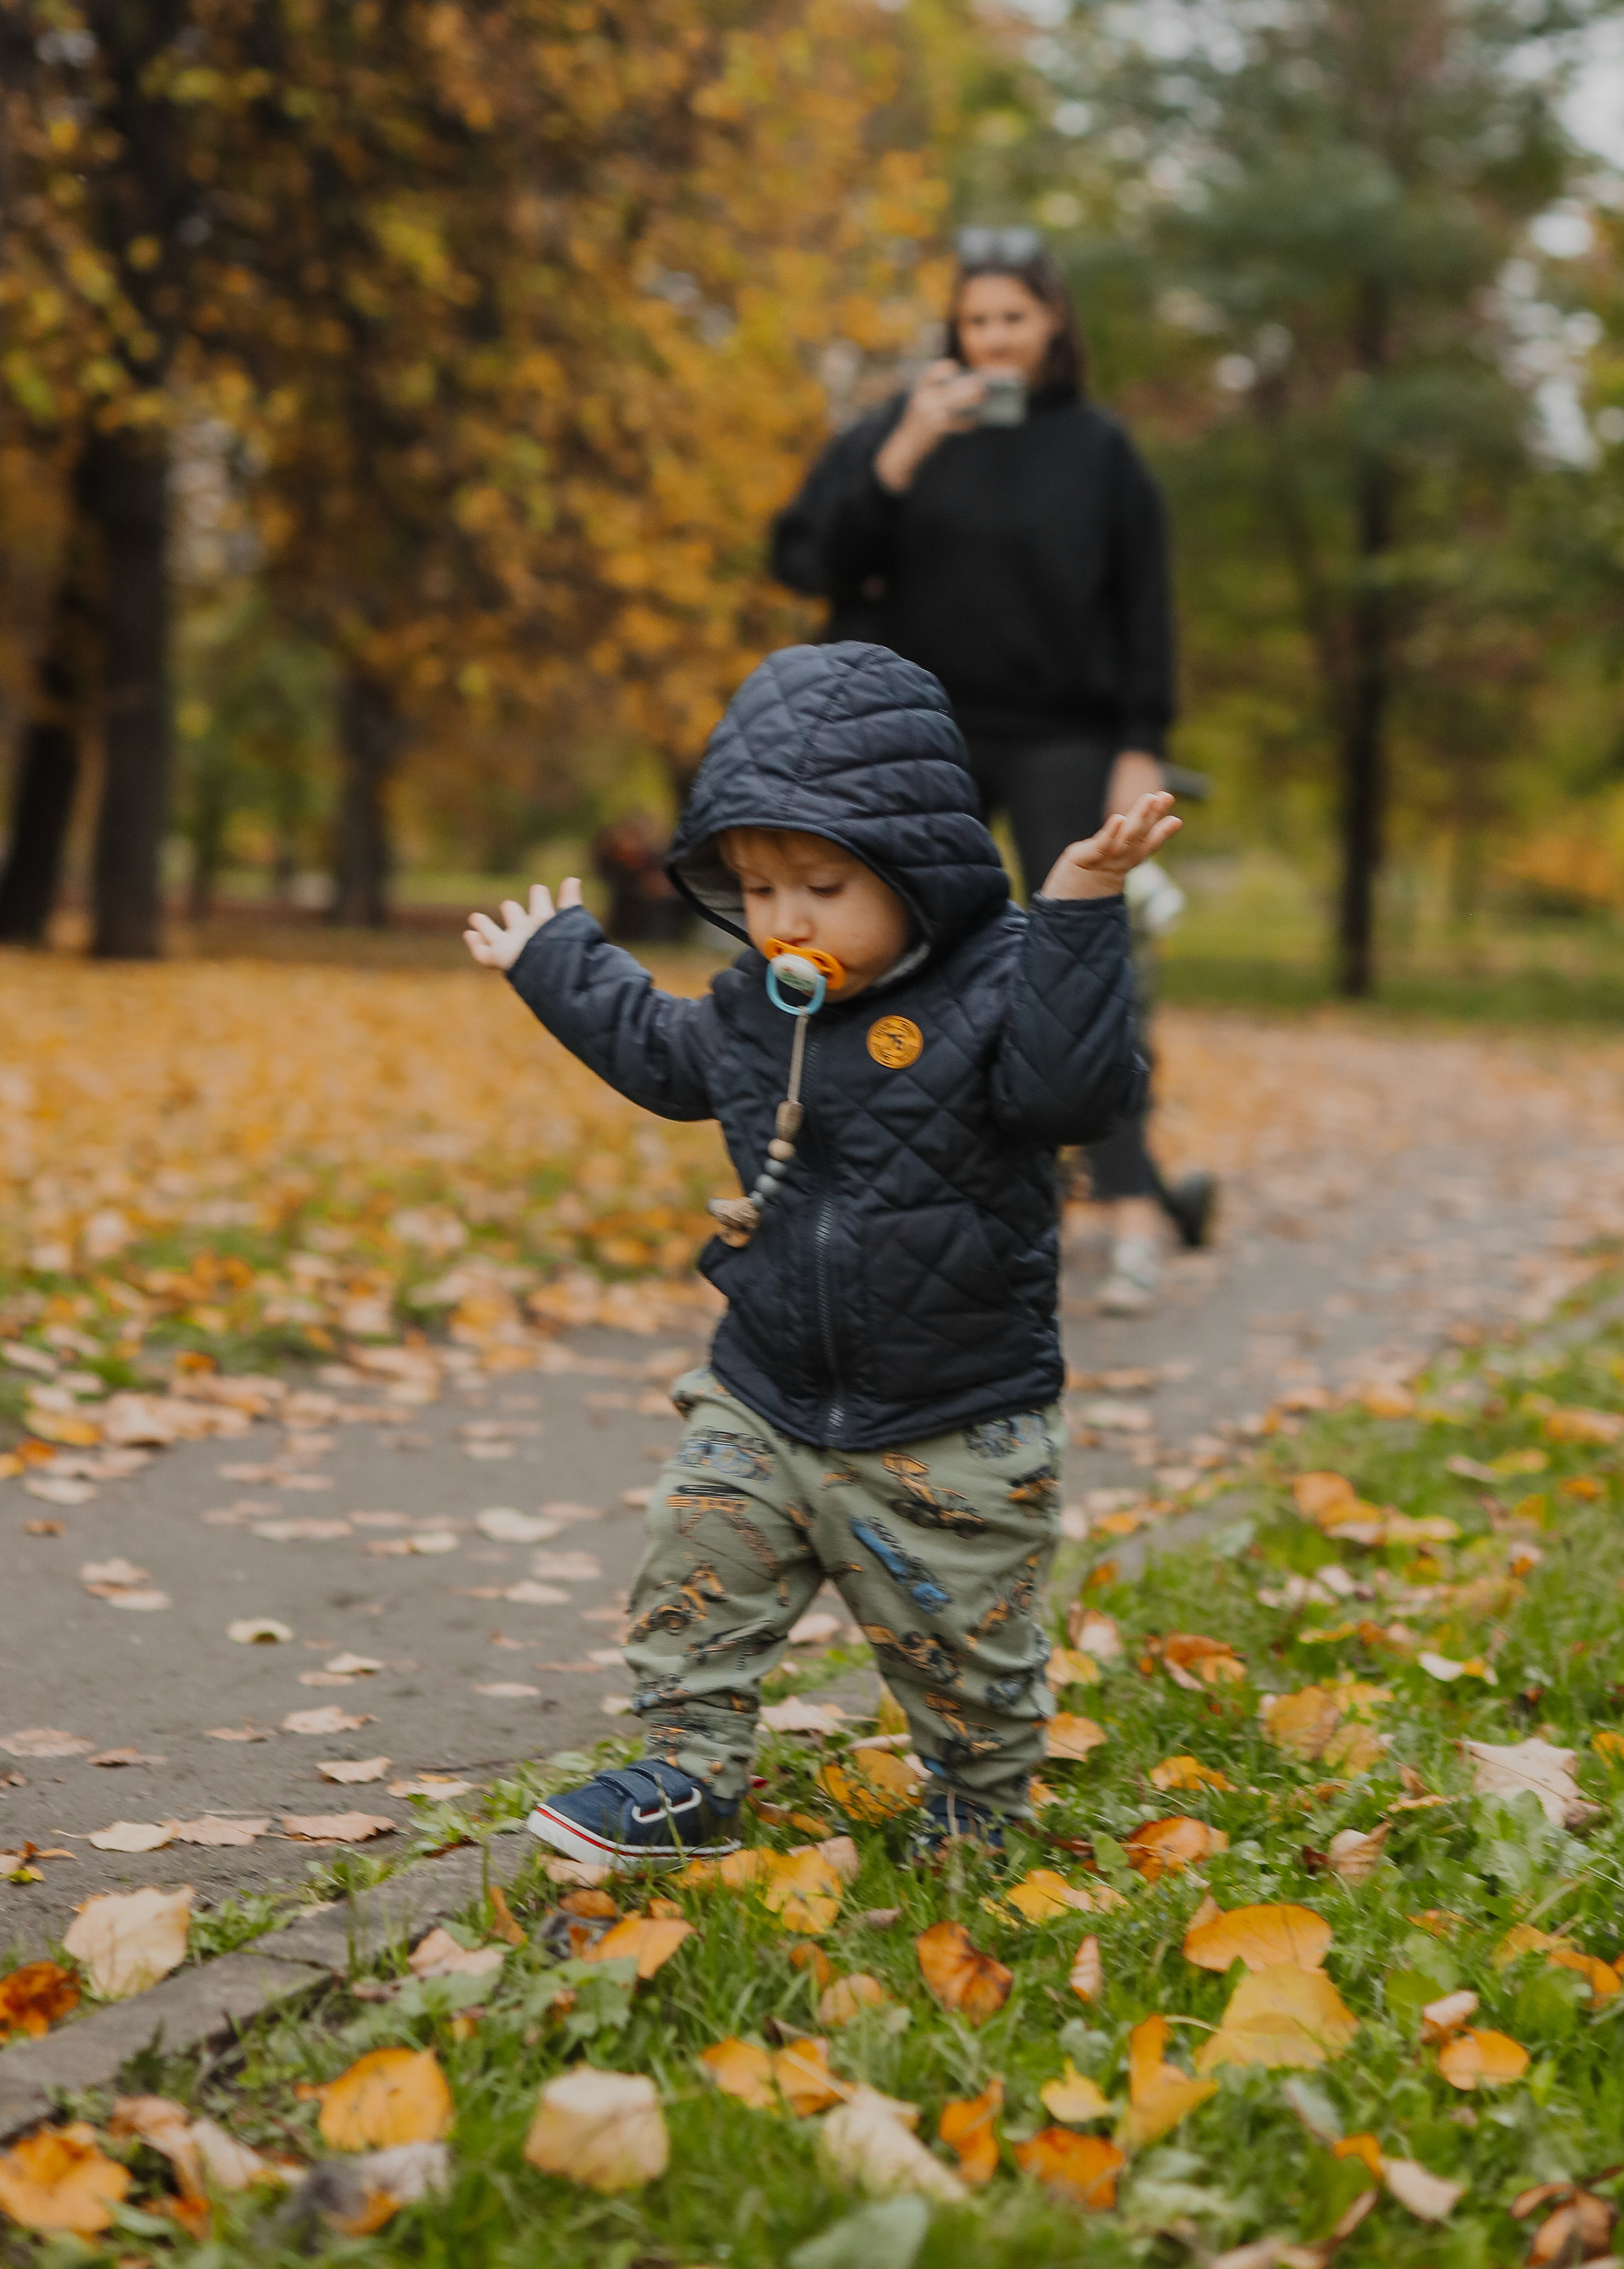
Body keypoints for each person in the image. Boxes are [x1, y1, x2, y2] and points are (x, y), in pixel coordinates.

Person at [463, 639, 1174, 1871]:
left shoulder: (1002, 979)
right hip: (770, 1384)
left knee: (964, 1650)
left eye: (821, 886)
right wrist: (558, 964)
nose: (784, 920)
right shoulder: (755, 1004)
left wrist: (1077, 914)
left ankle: (979, 1800)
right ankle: (687, 1768)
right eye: (756, 887)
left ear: (918, 872)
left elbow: (1076, 1091)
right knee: (698, 1555)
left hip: (960, 1412)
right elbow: (663, 1055)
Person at [770, 227, 1211, 1311]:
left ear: (1052, 323)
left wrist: (1137, 749)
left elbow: (1143, 612)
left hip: (1068, 734)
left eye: (1015, 318)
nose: (997, 339)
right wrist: (903, 451)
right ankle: (912, 1208)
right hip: (925, 733)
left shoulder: (1102, 453)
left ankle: (1135, 1212)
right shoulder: (905, 430)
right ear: (955, 331)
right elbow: (810, 559)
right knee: (913, 961)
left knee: (1085, 968)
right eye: (978, 321)